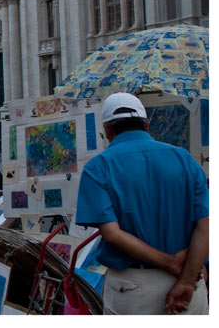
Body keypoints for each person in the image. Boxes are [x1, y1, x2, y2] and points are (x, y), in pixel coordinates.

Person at [76, 92, 208, 315]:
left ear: (107, 130)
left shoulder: (98, 167)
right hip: (189, 282)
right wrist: (185, 280)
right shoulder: (184, 159)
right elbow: (206, 226)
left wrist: (169, 263)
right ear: (147, 124)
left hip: (131, 288)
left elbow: (112, 234)